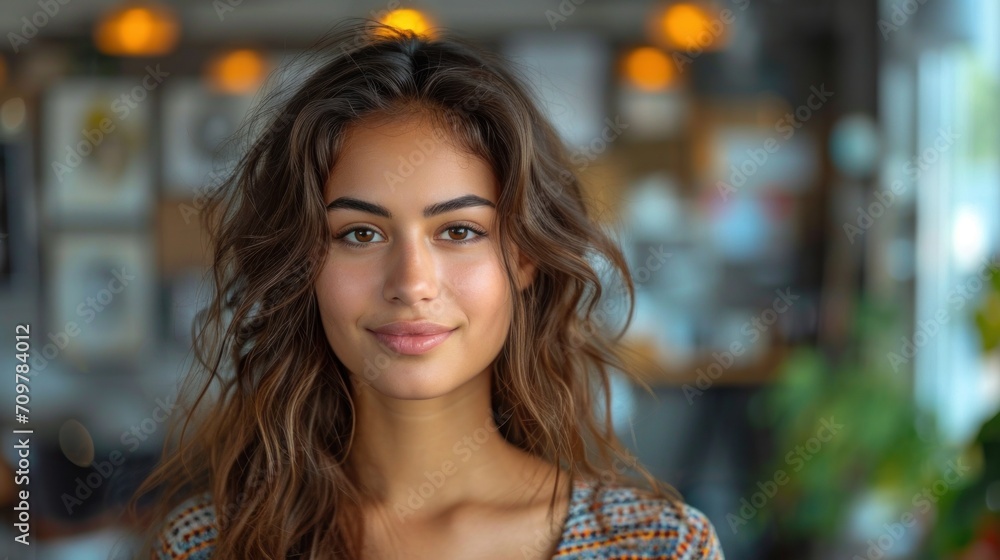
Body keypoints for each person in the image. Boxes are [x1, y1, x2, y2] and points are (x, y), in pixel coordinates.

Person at [128, 19, 725, 559]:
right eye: (360, 233)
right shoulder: (209, 545)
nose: (412, 283)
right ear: (300, 265)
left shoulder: (658, 546)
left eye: (459, 230)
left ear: (523, 258)